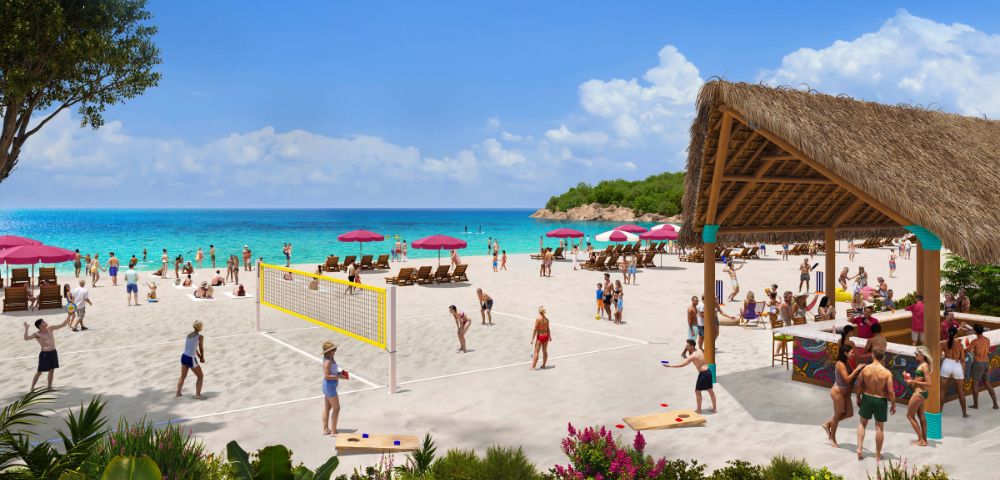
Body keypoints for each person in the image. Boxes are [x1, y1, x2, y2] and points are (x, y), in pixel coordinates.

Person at [822, 325, 865, 448]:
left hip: (845, 392)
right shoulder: (840, 364)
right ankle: (832, 438)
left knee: (850, 413)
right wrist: (856, 369)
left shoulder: (845, 362)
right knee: (838, 414)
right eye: (851, 352)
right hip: (838, 392)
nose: (853, 354)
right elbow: (846, 378)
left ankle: (828, 424)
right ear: (845, 353)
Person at [856, 348, 895, 460]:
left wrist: (858, 397)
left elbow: (858, 385)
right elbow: (891, 391)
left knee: (862, 423)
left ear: (873, 355)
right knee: (879, 428)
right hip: (880, 400)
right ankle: (877, 455)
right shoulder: (887, 372)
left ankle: (859, 448)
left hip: (867, 398)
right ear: (882, 358)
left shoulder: (865, 369)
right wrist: (893, 404)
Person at [666, 340, 717, 414]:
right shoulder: (699, 350)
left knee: (698, 391)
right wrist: (686, 352)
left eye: (687, 346)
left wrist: (670, 366)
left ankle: (699, 410)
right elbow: (691, 355)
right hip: (708, 371)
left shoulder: (693, 356)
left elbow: (682, 364)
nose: (686, 347)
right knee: (710, 391)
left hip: (703, 374)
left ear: (692, 346)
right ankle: (714, 409)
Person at [24, 317, 72, 389]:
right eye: (43, 322)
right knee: (39, 372)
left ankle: (49, 387)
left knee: (51, 371)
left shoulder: (50, 328)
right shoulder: (37, 334)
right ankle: (32, 388)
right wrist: (26, 328)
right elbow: (26, 338)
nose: (45, 322)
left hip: (53, 352)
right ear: (40, 325)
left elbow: (63, 324)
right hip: (45, 354)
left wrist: (69, 315)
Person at [903, 346, 932, 447]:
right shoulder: (923, 365)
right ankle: (925, 440)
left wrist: (913, 381)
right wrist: (909, 379)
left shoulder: (924, 366)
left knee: (909, 415)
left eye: (917, 355)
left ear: (923, 355)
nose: (916, 356)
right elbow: (919, 381)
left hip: (919, 394)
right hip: (922, 393)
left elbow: (929, 383)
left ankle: (921, 440)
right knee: (921, 416)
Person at [967, 324, 999, 410]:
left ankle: (976, 405)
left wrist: (967, 345)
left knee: (975, 384)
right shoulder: (987, 340)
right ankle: (995, 404)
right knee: (988, 383)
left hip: (978, 364)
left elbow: (967, 350)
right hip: (986, 363)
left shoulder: (974, 341)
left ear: (974, 331)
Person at [940, 325, 970, 418]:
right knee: (961, 392)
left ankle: (939, 412)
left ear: (948, 333)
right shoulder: (960, 345)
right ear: (956, 333)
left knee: (942, 391)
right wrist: (963, 372)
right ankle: (964, 413)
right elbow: (963, 360)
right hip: (957, 365)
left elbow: (939, 356)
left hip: (946, 364)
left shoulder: (943, 343)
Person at [321, 341, 349, 435]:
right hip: (329, 387)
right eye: (333, 350)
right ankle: (333, 431)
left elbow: (333, 372)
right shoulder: (327, 362)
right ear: (328, 352)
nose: (334, 351)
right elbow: (326, 376)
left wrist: (340, 373)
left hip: (329, 386)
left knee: (327, 407)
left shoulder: (331, 358)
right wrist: (339, 377)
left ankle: (326, 430)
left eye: (334, 349)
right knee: (336, 408)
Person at [176, 321, 206, 399]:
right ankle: (198, 395)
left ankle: (178, 393)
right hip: (191, 358)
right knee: (200, 376)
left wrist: (199, 357)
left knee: (182, 376)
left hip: (184, 356)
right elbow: (201, 348)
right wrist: (202, 357)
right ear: (200, 327)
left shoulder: (188, 335)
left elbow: (193, 348)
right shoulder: (200, 337)